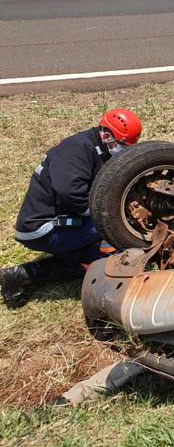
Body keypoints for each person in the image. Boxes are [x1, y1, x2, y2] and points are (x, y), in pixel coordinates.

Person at [1, 109, 142, 309]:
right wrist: (110, 216)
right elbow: (70, 195)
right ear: (105, 134)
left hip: (61, 219)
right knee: (115, 246)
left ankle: (21, 275)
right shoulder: (77, 148)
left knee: (97, 253)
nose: (121, 149)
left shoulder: (97, 147)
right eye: (120, 145)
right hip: (41, 227)